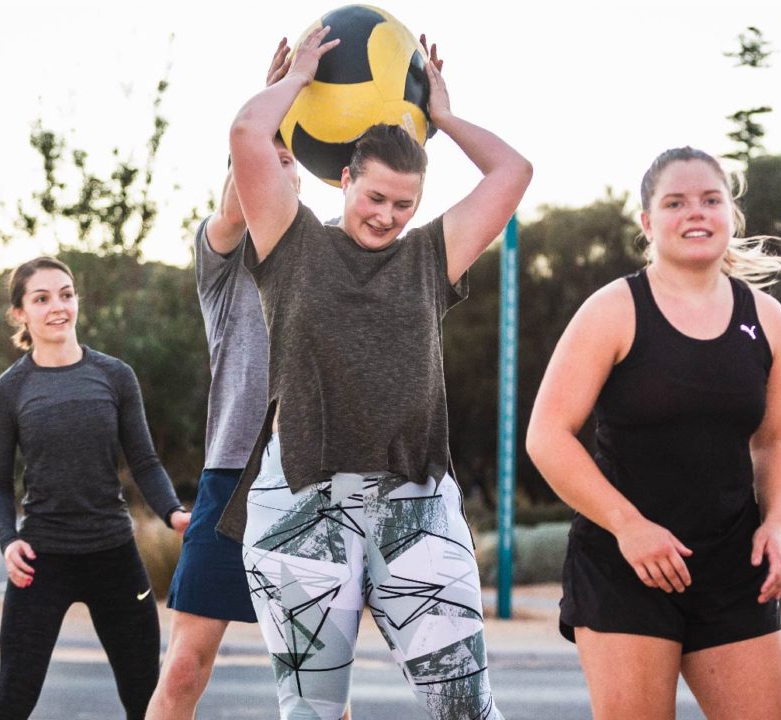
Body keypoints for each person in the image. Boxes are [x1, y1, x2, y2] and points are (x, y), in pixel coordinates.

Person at [217, 27, 532, 720]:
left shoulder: (430, 257)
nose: (386, 216)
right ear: (346, 179)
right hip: (302, 503)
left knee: (468, 711)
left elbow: (513, 173)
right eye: (375, 197)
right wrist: (295, 82)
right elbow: (247, 132)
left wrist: (443, 116)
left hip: (414, 503)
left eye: (404, 204)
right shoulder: (291, 242)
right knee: (312, 714)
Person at [526, 147, 781, 720]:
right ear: (648, 222)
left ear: (731, 214)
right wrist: (629, 527)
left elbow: (775, 441)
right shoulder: (614, 310)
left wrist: (776, 525)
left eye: (710, 200)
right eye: (675, 203)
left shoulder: (768, 318)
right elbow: (548, 435)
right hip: (625, 566)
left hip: (731, 567)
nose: (694, 213)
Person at [144, 40, 354, 720]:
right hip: (230, 482)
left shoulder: (334, 254)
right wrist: (270, 113)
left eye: (286, 162)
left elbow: (389, 203)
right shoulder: (222, 260)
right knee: (181, 672)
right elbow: (237, 203)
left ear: (304, 182)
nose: (271, 170)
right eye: (261, 161)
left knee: (320, 688)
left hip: (314, 485)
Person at [0, 256, 191, 720]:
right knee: (13, 699)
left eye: (66, 294)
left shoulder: (115, 376)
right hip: (41, 561)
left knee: (146, 699)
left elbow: (144, 460)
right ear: (21, 313)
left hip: (114, 556)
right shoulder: (8, 391)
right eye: (42, 298)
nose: (58, 307)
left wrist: (172, 513)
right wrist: (8, 540)